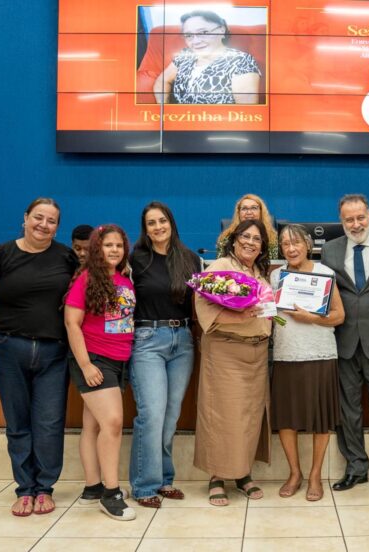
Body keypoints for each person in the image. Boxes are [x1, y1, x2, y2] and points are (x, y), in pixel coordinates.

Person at [0, 198, 79, 517]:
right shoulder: (1, 254)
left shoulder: (66, 257)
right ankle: (24, 489)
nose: (43, 225)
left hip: (53, 355)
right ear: (25, 218)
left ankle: (44, 488)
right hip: (7, 350)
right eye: (38, 218)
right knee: (18, 424)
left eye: (51, 221)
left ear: (58, 227)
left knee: (49, 423)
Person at [320, 194, 369, 494]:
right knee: (348, 410)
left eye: (360, 218)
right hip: (342, 342)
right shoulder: (329, 250)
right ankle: (355, 467)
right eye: (348, 220)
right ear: (341, 221)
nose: (355, 224)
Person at [128, 202, 202, 509]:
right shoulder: (136, 259)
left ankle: (164, 480)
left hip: (183, 340)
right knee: (152, 414)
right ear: (145, 229)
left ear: (171, 222)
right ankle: (144, 485)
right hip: (147, 340)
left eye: (162, 221)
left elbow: (199, 303)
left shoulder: (190, 259)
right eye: (151, 223)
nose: (158, 227)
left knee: (170, 417)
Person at [193, 219, 272, 506]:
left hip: (258, 353)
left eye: (257, 239)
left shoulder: (260, 272)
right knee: (222, 415)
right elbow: (205, 309)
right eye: (245, 237)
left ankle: (242, 473)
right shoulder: (219, 268)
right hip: (227, 351)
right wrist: (239, 316)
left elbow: (268, 312)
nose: (251, 242)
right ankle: (216, 476)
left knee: (248, 417)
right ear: (234, 239)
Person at [64, 224, 137, 521]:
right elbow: (72, 323)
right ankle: (111, 493)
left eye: (119, 245)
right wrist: (85, 364)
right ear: (97, 248)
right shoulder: (86, 278)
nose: (115, 250)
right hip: (95, 359)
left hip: (119, 361)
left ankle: (93, 486)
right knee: (113, 423)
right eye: (109, 245)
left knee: (93, 426)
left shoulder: (124, 279)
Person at [270, 224, 345, 501]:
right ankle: (294, 472)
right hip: (286, 353)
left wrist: (311, 318)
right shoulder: (277, 276)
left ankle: (315, 474)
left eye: (296, 243)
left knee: (319, 418)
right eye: (285, 244)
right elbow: (272, 314)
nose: (291, 248)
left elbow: (340, 316)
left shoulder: (325, 273)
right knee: (287, 418)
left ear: (308, 245)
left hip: (319, 353)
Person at [154, 10, 261, 105]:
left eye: (203, 32)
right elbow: (162, 81)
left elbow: (246, 113)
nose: (195, 41)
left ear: (221, 30)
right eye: (189, 35)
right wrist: (164, 109)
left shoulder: (241, 61)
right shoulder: (186, 55)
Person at [216, 193, 278, 259]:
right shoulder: (226, 237)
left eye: (254, 208)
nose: (249, 212)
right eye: (244, 208)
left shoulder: (273, 238)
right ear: (238, 213)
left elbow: (275, 263)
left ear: (261, 211)